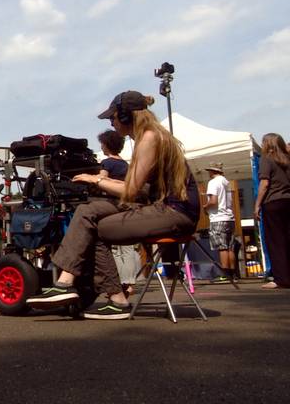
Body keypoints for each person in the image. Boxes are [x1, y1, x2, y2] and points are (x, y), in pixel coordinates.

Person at [27, 90, 200, 319]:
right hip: (163, 207)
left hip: (174, 212)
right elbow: (140, 188)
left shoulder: (149, 138)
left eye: (113, 117)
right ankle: (69, 283)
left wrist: (96, 179)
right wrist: (103, 181)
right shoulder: (151, 136)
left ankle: (104, 296)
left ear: (127, 116)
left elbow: (131, 190)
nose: (112, 122)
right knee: (88, 210)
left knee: (95, 227)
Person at [98, 129, 140, 295]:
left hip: (114, 206)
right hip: (129, 206)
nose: (101, 146)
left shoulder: (107, 163)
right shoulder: (126, 164)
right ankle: (130, 283)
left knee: (115, 248)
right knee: (128, 248)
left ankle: (121, 283)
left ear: (106, 145)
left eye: (102, 143)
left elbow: (100, 181)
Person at [254, 133, 290, 289]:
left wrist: (257, 205)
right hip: (288, 201)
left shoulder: (266, 159)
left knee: (275, 241)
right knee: (288, 239)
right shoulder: (287, 161)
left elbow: (264, 184)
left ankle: (281, 278)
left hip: (273, 202)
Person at [204, 162, 236, 283]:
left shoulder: (213, 182)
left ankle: (225, 274)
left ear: (212, 171)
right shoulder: (226, 182)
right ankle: (233, 274)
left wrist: (205, 207)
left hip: (218, 217)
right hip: (229, 217)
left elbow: (213, 201)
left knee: (222, 247)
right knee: (230, 247)